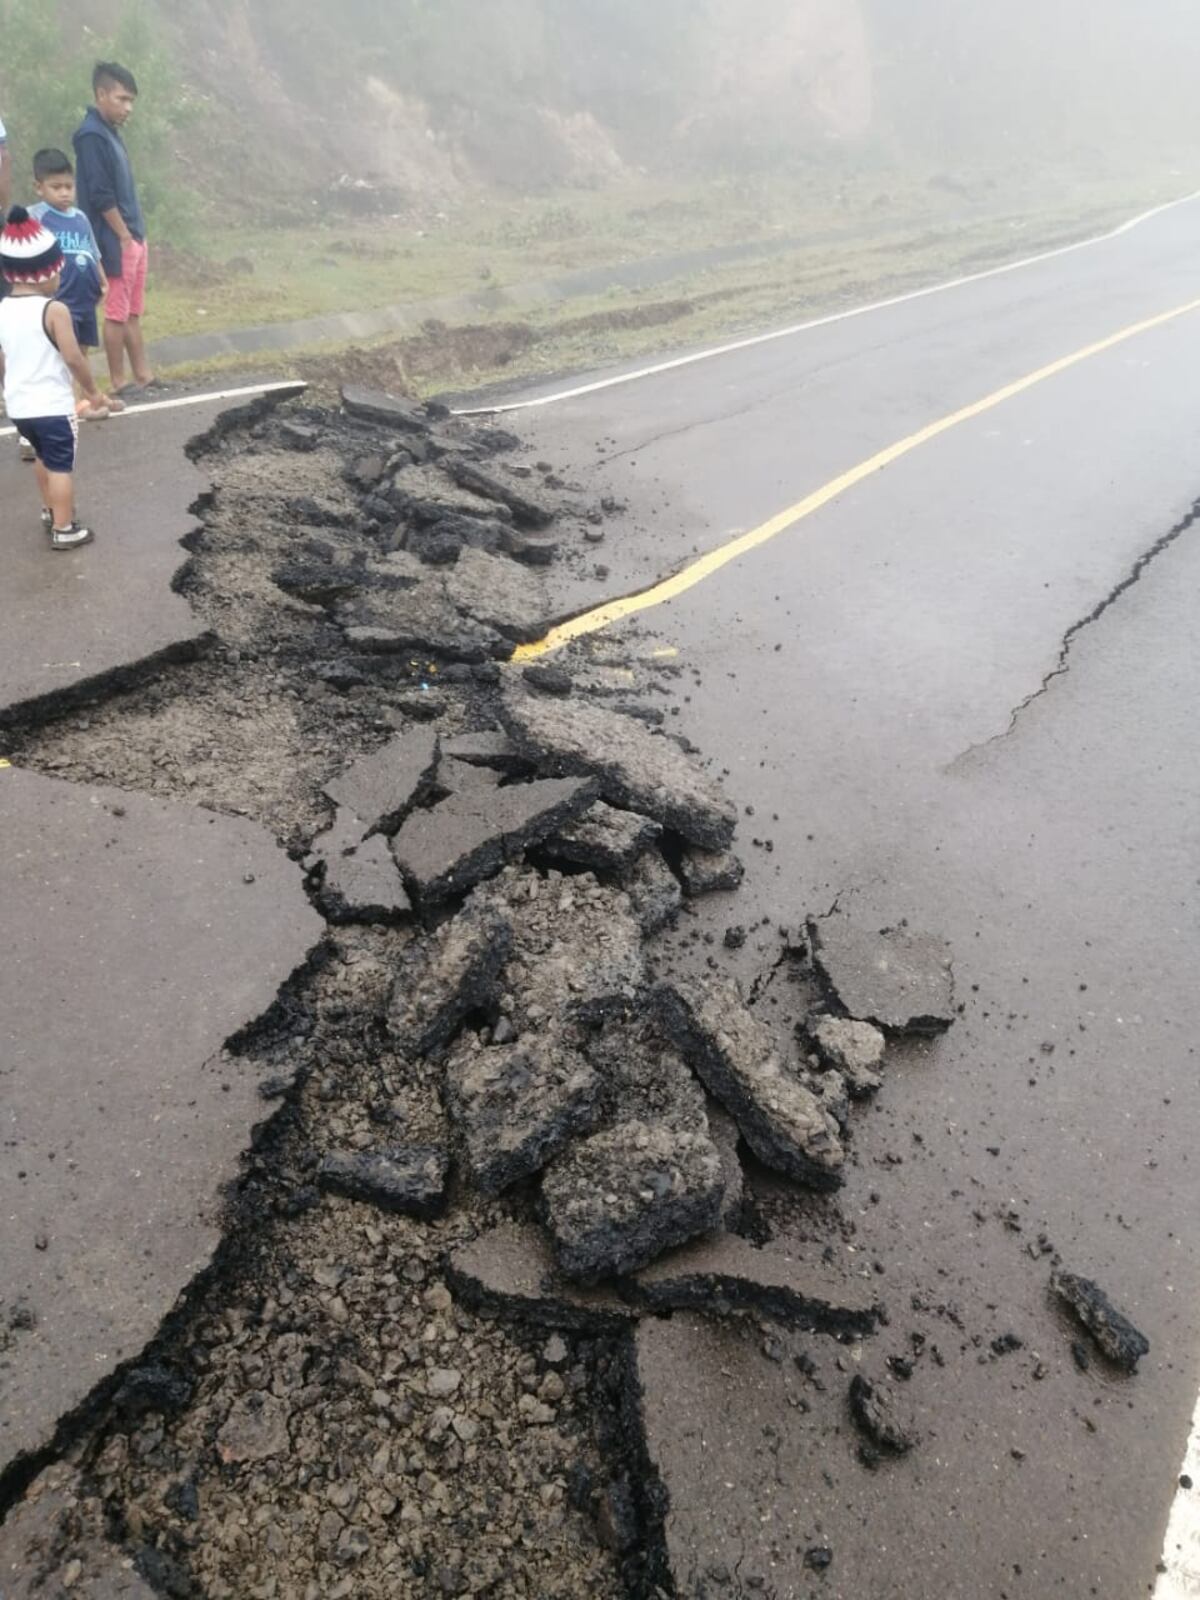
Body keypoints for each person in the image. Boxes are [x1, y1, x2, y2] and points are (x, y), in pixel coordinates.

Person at [0, 207, 106, 548]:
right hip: (53, 406)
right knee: (61, 465)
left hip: (20, 407)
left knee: (42, 458)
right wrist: (91, 390)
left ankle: (48, 510)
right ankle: (64, 528)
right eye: (57, 271)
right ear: (45, 273)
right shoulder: (54, 310)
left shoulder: (2, 309)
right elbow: (73, 357)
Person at [73, 61, 162, 398]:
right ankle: (118, 382)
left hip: (133, 235)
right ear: (101, 94)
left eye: (131, 101)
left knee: (133, 312)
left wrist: (137, 234)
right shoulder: (90, 135)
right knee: (116, 313)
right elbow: (99, 193)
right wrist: (123, 236)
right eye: (122, 99)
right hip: (115, 239)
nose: (128, 108)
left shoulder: (110, 132)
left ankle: (144, 376)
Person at [29, 148, 123, 420]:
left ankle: (86, 398)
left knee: (82, 350)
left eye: (69, 186)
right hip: (59, 300)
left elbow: (92, 253)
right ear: (39, 187)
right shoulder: (36, 217)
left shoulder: (80, 218)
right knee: (62, 354)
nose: (64, 193)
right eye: (55, 187)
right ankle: (68, 404)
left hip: (84, 298)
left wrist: (102, 280)